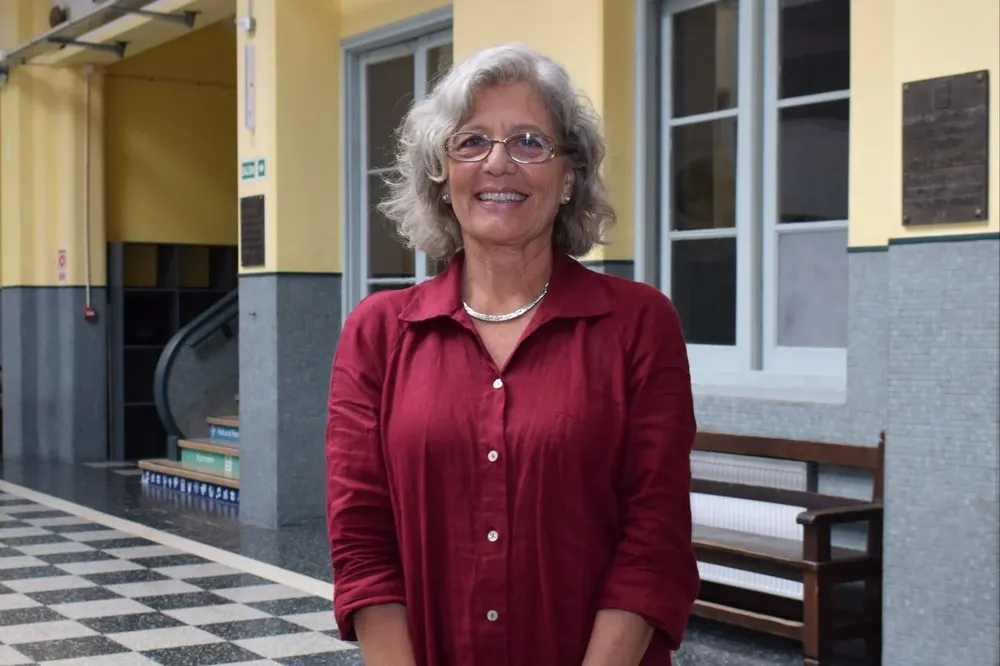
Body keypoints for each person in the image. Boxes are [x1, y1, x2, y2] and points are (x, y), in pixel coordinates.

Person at [326, 42, 700, 666]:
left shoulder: (639, 323)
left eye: (530, 141)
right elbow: (362, 539)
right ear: (441, 177)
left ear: (570, 174)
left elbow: (653, 539)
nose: (498, 164)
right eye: (471, 142)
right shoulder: (378, 333)